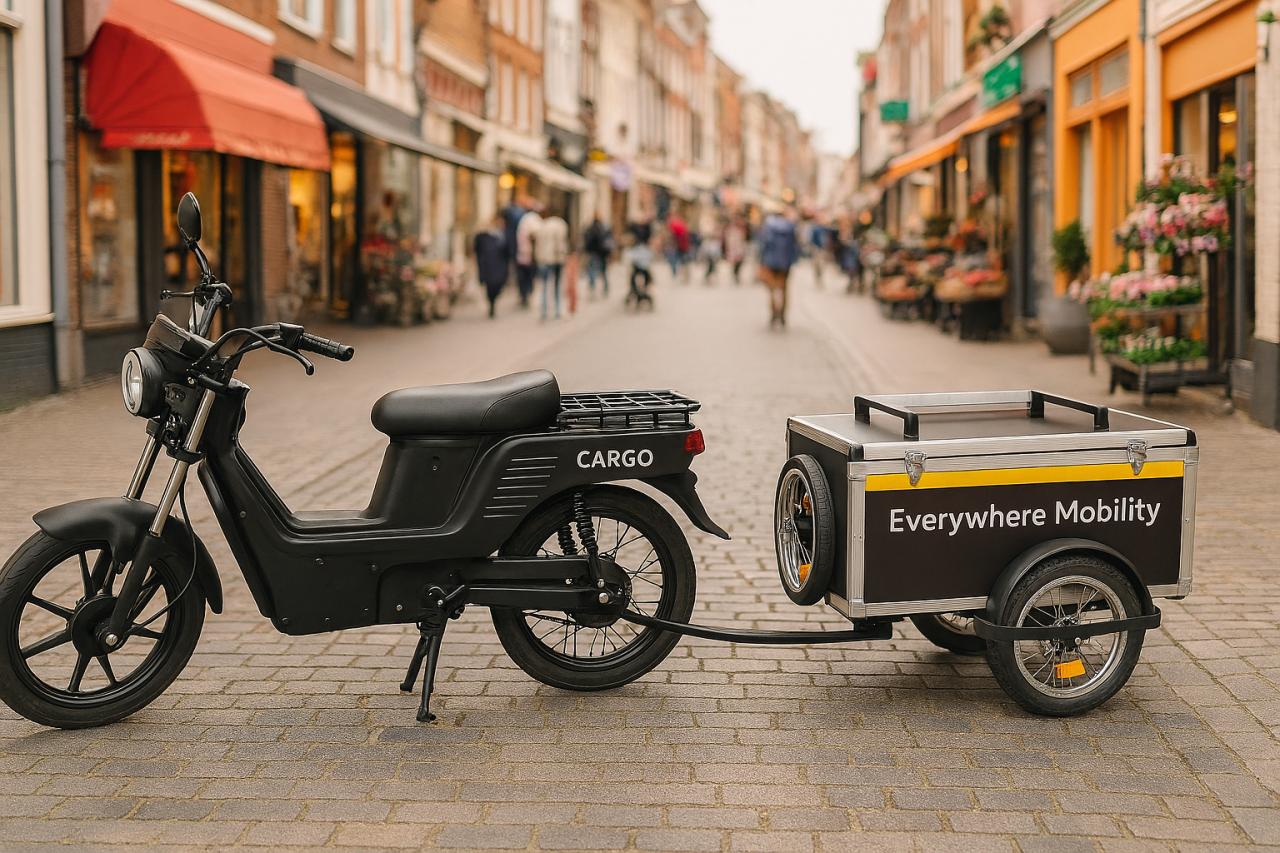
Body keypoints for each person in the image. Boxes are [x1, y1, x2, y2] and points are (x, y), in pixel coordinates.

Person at [758, 208, 799, 327]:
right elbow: (795, 246)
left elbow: (763, 244)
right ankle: (783, 315)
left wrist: (761, 260)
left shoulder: (768, 227)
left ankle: (773, 313)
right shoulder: (790, 227)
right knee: (784, 288)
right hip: (785, 263)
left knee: (771, 289)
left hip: (770, 262)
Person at [534, 209, 570, 320]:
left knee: (544, 285)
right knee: (557, 284)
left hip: (544, 259)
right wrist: (563, 256)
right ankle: (557, 310)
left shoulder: (542, 226)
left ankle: (544, 311)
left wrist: (538, 258)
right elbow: (560, 244)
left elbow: (538, 244)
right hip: (556, 259)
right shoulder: (560, 225)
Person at [473, 215, 508, 319]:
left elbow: (505, 250)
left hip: (498, 265)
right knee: (489, 286)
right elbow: (477, 251)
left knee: (497, 285)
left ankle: (492, 302)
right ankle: (491, 304)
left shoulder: (499, 236)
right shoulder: (481, 237)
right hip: (487, 265)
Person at [514, 201, 542, 309]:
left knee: (523, 277)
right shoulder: (533, 219)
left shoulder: (523, 220)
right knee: (529, 276)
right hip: (529, 254)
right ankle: (526, 294)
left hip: (522, 253)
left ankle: (524, 295)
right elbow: (535, 235)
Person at [582, 215, 613, 297]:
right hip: (601, 254)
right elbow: (607, 242)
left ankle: (593, 288)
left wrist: (587, 251)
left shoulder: (590, 229)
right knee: (603, 271)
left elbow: (587, 242)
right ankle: (605, 288)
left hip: (593, 254)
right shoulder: (603, 229)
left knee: (592, 271)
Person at [666, 212, 691, 282]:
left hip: (681, 247)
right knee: (682, 262)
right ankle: (682, 276)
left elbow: (673, 237)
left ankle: (680, 275)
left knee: (678, 261)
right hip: (682, 247)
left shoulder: (675, 225)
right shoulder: (680, 224)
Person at [724, 217, 747, 284]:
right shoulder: (730, 230)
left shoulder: (741, 230)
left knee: (739, 262)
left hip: (739, 248)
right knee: (735, 262)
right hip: (733, 248)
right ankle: (735, 274)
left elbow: (743, 239)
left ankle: (736, 274)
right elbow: (728, 240)